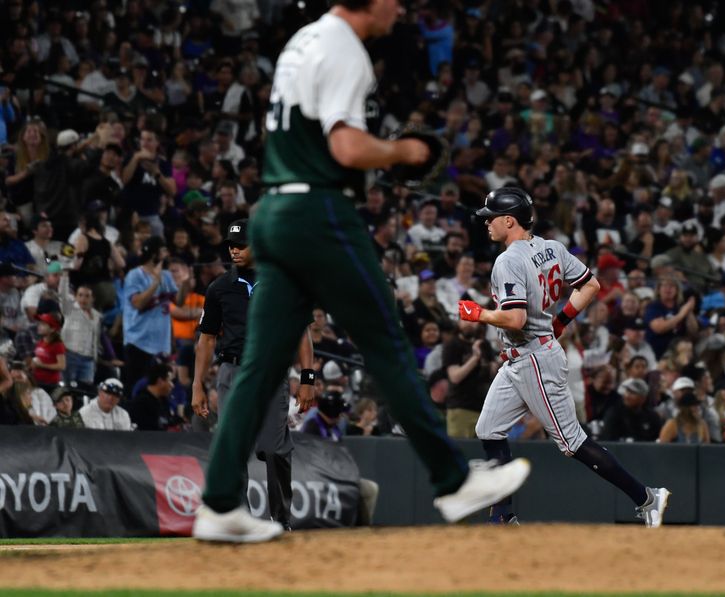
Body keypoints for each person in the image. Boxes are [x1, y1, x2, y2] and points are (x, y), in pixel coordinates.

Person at [193, 0, 530, 544]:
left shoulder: (303, 40)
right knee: (387, 345)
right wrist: (406, 151)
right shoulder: (345, 48)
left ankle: (218, 503)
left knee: (259, 368)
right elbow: (346, 147)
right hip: (318, 214)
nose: (400, 8)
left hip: (274, 212)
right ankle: (452, 480)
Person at [459, 186, 669, 527]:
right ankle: (503, 518)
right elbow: (591, 285)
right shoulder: (551, 247)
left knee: (572, 442)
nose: (486, 224)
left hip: (534, 358)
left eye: (491, 218)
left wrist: (478, 314)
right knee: (489, 429)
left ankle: (647, 497)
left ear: (509, 220)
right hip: (523, 355)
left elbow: (515, 319)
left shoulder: (508, 260)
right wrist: (559, 322)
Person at [192, 219, 315, 531]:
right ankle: (240, 520)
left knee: (275, 449)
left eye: (241, 244)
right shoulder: (219, 288)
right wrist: (197, 385)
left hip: (271, 372)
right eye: (231, 245)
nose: (234, 250)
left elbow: (301, 331)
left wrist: (307, 378)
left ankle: (281, 519)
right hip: (232, 371)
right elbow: (206, 339)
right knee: (233, 447)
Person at [122, 236, 178, 393]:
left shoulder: (167, 275)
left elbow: (178, 301)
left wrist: (187, 282)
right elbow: (138, 303)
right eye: (163, 250)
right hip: (138, 342)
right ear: (154, 254)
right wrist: (155, 283)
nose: (166, 253)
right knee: (136, 389)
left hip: (161, 345)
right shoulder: (135, 275)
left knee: (157, 391)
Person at [127, 363, 178, 431]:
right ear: (160, 381)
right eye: (170, 381)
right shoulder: (140, 403)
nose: (172, 385)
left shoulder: (164, 400)